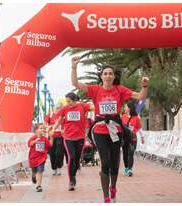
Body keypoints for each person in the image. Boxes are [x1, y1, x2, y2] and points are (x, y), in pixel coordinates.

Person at [71, 56, 149, 203]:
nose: (108, 75)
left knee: (114, 162)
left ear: (114, 76)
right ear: (101, 76)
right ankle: (106, 196)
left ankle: (113, 187)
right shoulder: (95, 89)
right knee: (105, 162)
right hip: (100, 129)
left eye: (110, 73)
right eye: (105, 73)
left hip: (115, 129)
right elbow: (75, 83)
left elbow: (140, 97)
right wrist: (74, 66)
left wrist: (144, 86)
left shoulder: (120, 89)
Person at [50, 92, 91, 191]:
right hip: (68, 138)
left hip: (80, 138)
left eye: (69, 101)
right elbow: (59, 120)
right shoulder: (65, 108)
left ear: (74, 100)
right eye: (66, 101)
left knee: (76, 161)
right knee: (71, 158)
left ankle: (74, 174)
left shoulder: (82, 106)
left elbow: (94, 107)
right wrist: (53, 129)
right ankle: (71, 180)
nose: (67, 103)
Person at [28, 123, 53, 192]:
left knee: (40, 171)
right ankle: (33, 175)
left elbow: (50, 145)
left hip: (41, 158)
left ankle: (39, 186)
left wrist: (51, 137)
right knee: (34, 171)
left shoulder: (44, 138)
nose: (42, 130)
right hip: (33, 158)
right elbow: (29, 144)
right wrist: (35, 141)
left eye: (43, 128)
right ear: (36, 130)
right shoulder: (33, 137)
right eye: (41, 128)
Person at [121, 102, 143, 177]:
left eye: (125, 107)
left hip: (132, 139)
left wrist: (142, 137)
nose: (124, 108)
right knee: (125, 154)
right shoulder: (122, 116)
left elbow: (139, 128)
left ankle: (130, 169)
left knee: (130, 153)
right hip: (124, 139)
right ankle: (126, 168)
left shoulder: (136, 117)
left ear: (129, 108)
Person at [44, 102, 65, 176]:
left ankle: (59, 167)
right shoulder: (50, 115)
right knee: (52, 153)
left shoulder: (63, 116)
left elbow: (65, 124)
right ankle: (54, 169)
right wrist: (49, 127)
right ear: (57, 108)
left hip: (60, 136)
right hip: (51, 136)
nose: (61, 110)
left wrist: (63, 129)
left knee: (59, 152)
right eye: (60, 108)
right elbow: (45, 125)